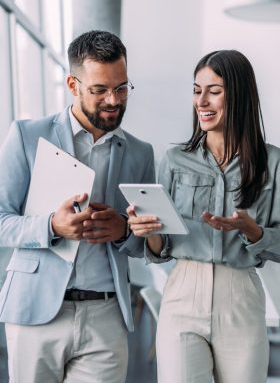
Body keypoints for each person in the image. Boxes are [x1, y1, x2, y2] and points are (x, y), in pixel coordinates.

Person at [0, 30, 155, 383]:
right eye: (99, 90)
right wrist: (52, 225)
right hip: (36, 312)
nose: (113, 100)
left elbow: (146, 239)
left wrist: (124, 230)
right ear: (73, 85)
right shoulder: (26, 136)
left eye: (121, 87)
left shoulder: (140, 152)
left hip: (106, 315)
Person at [127, 49, 280, 383]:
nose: (202, 101)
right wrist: (148, 230)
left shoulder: (272, 163)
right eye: (197, 90)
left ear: (239, 95)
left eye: (214, 91)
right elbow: (160, 248)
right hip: (182, 291)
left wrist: (253, 231)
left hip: (241, 295)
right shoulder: (174, 159)